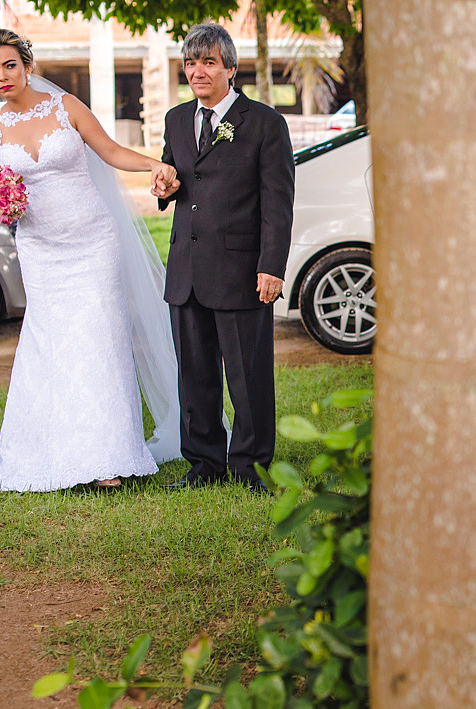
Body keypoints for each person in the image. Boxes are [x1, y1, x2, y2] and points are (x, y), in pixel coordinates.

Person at [0, 29, 182, 492]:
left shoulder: (66, 109)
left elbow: (110, 151)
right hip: (41, 250)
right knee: (51, 345)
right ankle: (47, 448)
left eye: (9, 65)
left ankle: (107, 456)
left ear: (27, 65)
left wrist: (153, 165)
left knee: (100, 341)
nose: (2, 75)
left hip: (91, 242)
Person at [154, 23, 294, 493]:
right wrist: (164, 187)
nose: (197, 71)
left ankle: (252, 466)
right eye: (190, 63)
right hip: (186, 272)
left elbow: (278, 202)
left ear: (230, 69)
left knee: (248, 377)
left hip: (241, 271)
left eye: (208, 62)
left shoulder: (265, 124)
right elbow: (174, 179)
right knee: (194, 377)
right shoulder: (176, 119)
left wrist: (271, 265)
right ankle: (203, 463)